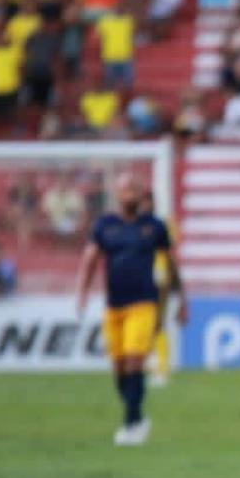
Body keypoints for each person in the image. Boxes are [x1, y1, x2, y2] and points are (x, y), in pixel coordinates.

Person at [74, 172, 186, 446]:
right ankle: (137, 415)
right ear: (117, 194)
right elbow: (90, 260)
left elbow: (172, 265)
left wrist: (182, 299)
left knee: (136, 359)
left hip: (143, 304)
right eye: (126, 190)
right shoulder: (104, 226)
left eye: (135, 190)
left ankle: (131, 424)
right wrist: (82, 291)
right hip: (114, 306)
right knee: (120, 367)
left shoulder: (154, 227)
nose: (131, 195)